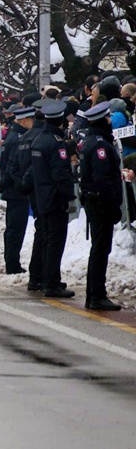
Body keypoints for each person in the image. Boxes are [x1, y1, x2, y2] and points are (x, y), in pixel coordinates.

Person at [24, 100, 75, 298]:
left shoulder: (38, 140)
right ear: (60, 120)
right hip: (54, 198)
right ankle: (51, 282)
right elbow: (60, 173)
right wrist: (68, 195)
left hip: (41, 196)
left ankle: (41, 277)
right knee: (55, 240)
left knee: (44, 238)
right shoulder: (56, 143)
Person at [78, 102, 124, 311]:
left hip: (95, 201)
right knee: (100, 249)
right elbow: (103, 179)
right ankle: (96, 295)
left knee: (99, 248)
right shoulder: (100, 146)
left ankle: (95, 294)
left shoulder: (93, 141)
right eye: (107, 119)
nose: (110, 122)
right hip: (100, 203)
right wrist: (113, 205)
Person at [0, 105, 35, 273]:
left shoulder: (14, 135)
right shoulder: (18, 138)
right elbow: (12, 166)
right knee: (15, 228)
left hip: (13, 188)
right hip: (16, 190)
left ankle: (13, 262)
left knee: (15, 227)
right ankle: (12, 264)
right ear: (24, 121)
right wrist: (21, 184)